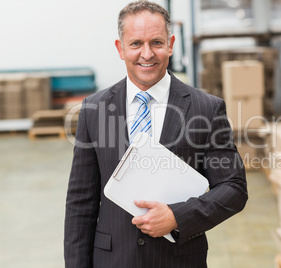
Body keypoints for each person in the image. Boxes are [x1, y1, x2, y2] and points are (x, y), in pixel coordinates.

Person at [64, 1, 248, 267]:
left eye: (157, 43)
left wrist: (177, 216)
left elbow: (234, 189)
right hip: (113, 259)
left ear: (171, 45)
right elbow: (80, 203)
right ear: (120, 48)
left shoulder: (206, 108)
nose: (147, 54)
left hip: (178, 259)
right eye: (136, 43)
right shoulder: (94, 109)